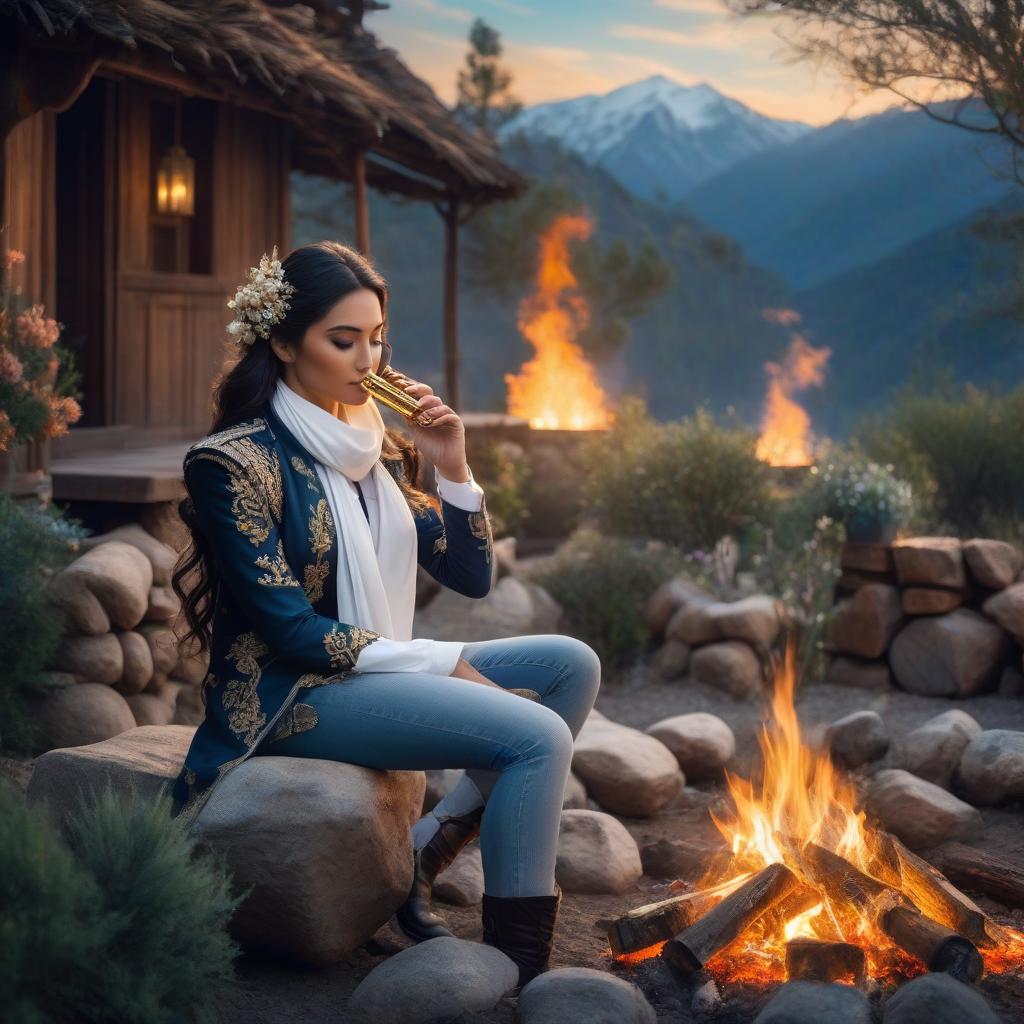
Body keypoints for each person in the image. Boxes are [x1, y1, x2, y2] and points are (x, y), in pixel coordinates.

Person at [169, 241, 602, 987]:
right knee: (533, 736)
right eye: (344, 340)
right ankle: (519, 968)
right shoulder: (234, 463)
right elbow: (291, 633)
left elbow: (469, 575)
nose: (368, 359)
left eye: (377, 338)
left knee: (571, 665)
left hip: (371, 669)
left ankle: (427, 851)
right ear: (281, 341)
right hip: (293, 695)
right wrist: (440, 662)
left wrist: (452, 464)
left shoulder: (370, 448)